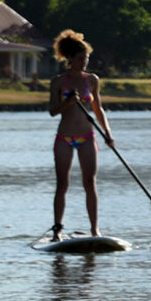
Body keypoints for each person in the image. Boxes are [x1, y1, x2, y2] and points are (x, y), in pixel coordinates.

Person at [47, 29, 113, 240]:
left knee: (89, 183)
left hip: (87, 137)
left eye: (86, 58)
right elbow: (52, 111)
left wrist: (107, 133)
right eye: (80, 58)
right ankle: (57, 230)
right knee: (62, 184)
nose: (84, 62)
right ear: (70, 59)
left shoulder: (92, 80)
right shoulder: (58, 82)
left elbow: (98, 109)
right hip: (64, 138)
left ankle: (95, 230)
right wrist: (68, 102)